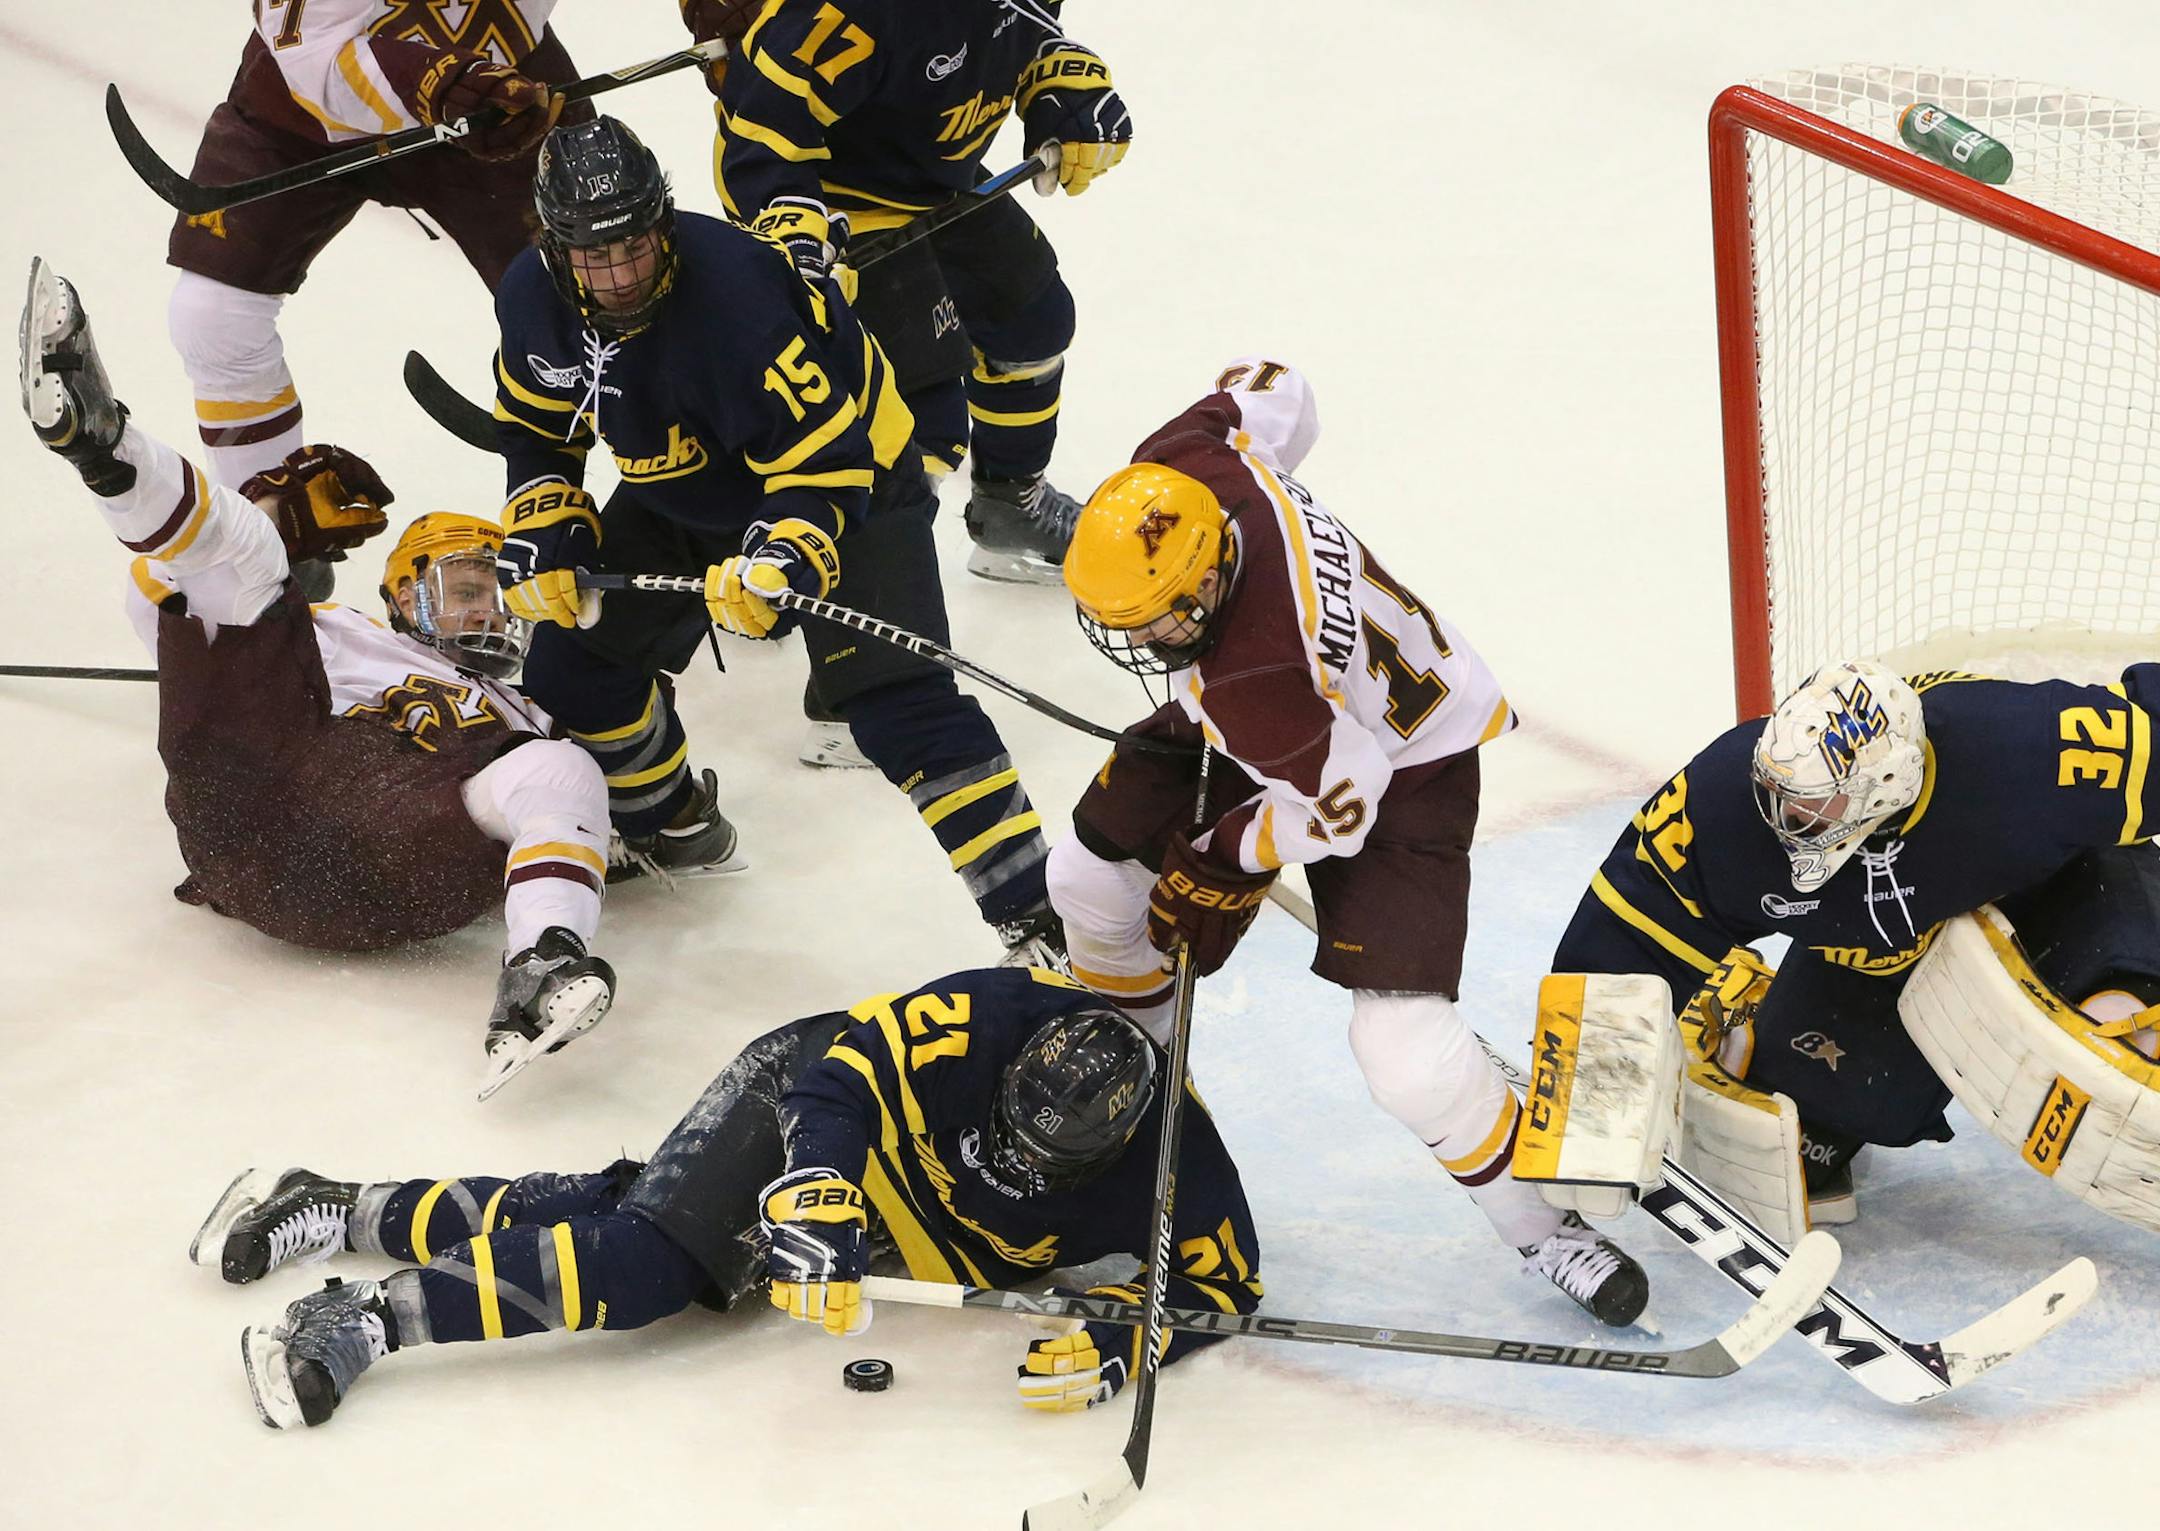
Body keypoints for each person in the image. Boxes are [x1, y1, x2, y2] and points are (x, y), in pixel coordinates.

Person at [1042, 357, 1649, 1327]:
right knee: (1084, 876)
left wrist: (1226, 852)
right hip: (1304, 722)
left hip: (1403, 763)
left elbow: (1346, 802)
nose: (1137, 638)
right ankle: (1141, 1079)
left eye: (1150, 620)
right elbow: (1279, 387)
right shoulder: (1191, 463)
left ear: (1202, 587)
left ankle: (1545, 1229)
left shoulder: (1256, 676)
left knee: (1403, 1050)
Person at [20, 257, 640, 1098]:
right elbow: (158, 606)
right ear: (406, 594)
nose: (489, 606)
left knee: (564, 765)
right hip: (265, 812)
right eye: (464, 584)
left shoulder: (525, 716)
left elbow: (569, 810)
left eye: (497, 589)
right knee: (244, 552)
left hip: (393, 875)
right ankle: (100, 441)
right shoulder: (339, 632)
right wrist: (276, 529)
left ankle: (540, 968)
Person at [191, 966, 1262, 1428]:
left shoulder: (1180, 1161)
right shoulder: (987, 1017)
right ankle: (363, 1318)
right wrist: (813, 1193)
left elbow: (1227, 1285)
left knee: (635, 1220)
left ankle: (339, 1202)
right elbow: (840, 1074)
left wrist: (1134, 1341)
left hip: (903, 1230)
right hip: (806, 1108)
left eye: (1051, 1162)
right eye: (1008, 1123)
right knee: (648, 1264)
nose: (1014, 1162)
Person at [489, 116, 1062, 961]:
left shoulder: (739, 295)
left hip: (856, 468)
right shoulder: (530, 298)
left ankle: (1041, 918)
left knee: (899, 705)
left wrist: (778, 561)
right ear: (552, 245)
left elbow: (823, 465)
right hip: (681, 483)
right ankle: (673, 822)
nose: (617, 275)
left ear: (664, 222)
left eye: (634, 247)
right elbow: (538, 429)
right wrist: (545, 520)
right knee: (572, 667)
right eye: (592, 254)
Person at [1550, 656, 2160, 1220]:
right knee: (1811, 1137)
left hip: (2064, 898)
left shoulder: (2025, 749)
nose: (1777, 816)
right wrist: (1595, 1113)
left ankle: (2135, 988)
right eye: (1776, 791)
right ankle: (1779, 1043)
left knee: (2121, 1026)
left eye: (1810, 804)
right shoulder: (1722, 803)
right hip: (1890, 954)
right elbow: (1628, 934)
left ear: (1885, 786)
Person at [684, 0, 1134, 584]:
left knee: (1032, 320)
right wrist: (790, 231)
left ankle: (1009, 505)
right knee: (915, 422)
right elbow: (764, 130)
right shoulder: (856, 12)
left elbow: (1021, 36)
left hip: (930, 179)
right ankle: (817, 572)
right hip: (829, 200)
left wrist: (1057, 81)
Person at [165, 0, 574, 598]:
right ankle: (272, 532)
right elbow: (319, 59)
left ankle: (689, 509)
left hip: (503, 94)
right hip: (306, 111)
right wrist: (436, 84)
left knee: (606, 303)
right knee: (213, 313)